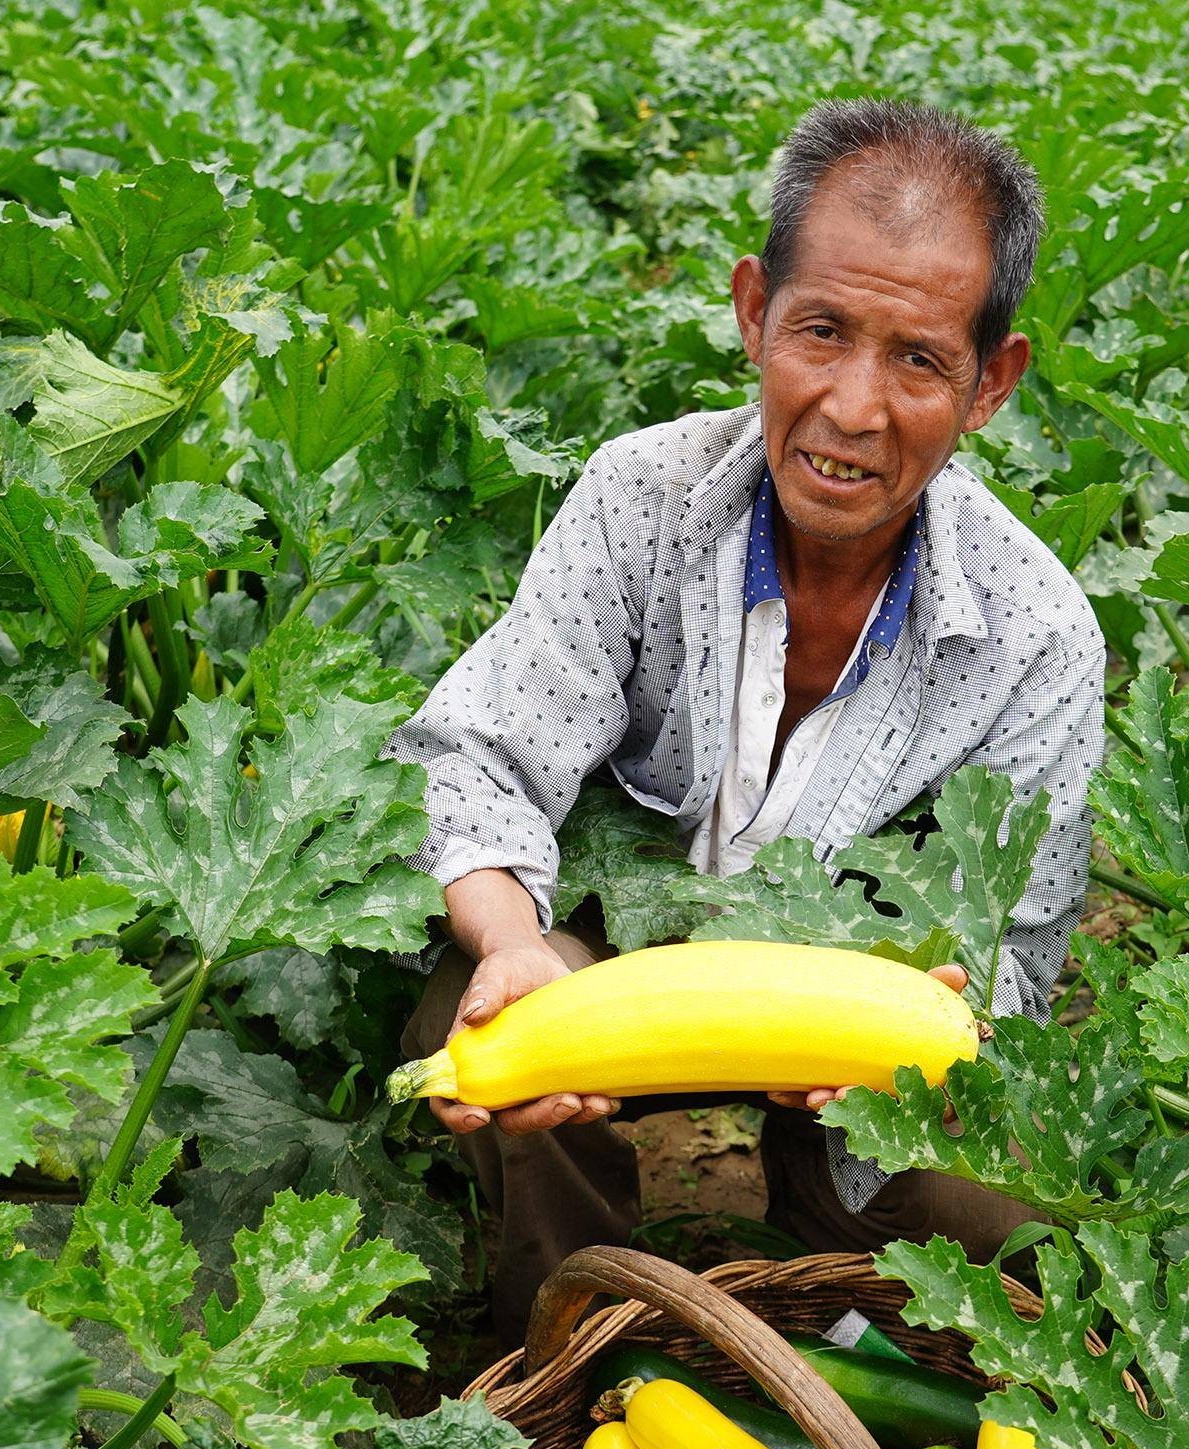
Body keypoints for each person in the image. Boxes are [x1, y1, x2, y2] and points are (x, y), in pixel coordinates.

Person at [392, 100, 1106, 1343]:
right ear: (753, 311)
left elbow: (1020, 948)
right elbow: (478, 761)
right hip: (610, 963)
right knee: (492, 1023)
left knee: (991, 1209)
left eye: (919, 360)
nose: (853, 408)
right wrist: (514, 942)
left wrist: (949, 1013)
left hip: (851, 1017)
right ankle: (571, 1347)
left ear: (990, 382)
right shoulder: (638, 497)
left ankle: (836, 1308)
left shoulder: (1037, 633)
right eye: (821, 331)